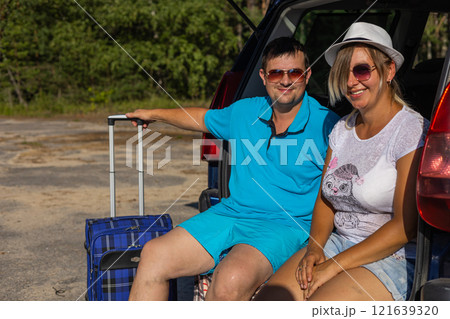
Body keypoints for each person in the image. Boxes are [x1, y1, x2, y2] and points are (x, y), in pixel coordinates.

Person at [126, 37, 340, 301]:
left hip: (284, 225)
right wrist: (154, 113)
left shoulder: (329, 125)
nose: (285, 81)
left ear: (307, 75)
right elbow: (200, 118)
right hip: (231, 214)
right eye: (276, 73)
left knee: (230, 278)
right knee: (153, 254)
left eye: (294, 72)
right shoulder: (243, 112)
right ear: (263, 76)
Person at [254, 22, 430, 301]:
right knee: (270, 301)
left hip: (390, 257)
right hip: (338, 244)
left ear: (389, 71)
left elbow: (404, 227)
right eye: (344, 72)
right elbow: (326, 199)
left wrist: (332, 268)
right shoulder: (342, 129)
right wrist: (314, 249)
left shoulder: (410, 130)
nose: (350, 82)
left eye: (361, 70)